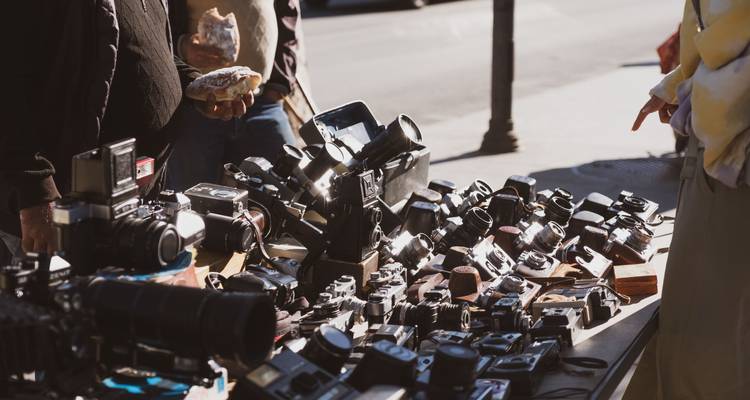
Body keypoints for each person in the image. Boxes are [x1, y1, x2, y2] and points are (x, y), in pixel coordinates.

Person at [0, 0, 254, 262]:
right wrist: (35, 190)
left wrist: (198, 86)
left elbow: (145, 49)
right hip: (58, 213)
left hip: (129, 208)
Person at [628, 1, 750, 398]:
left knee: (706, 340)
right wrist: (681, 83)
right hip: (723, 143)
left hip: (733, 155)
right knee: (695, 329)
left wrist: (695, 90)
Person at [165, 0, 303, 191]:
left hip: (263, 103)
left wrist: (280, 84)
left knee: (289, 192)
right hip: (196, 107)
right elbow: (153, 20)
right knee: (194, 202)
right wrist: (181, 46)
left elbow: (287, 11)